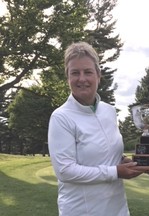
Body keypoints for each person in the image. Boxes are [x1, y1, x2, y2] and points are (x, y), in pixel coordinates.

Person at [48, 41, 142, 216]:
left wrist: (122, 160)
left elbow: (107, 150)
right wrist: (115, 171)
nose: (82, 78)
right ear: (68, 77)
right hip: (81, 211)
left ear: (98, 76)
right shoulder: (61, 117)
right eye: (75, 73)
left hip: (118, 209)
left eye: (88, 72)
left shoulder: (109, 111)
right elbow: (65, 171)